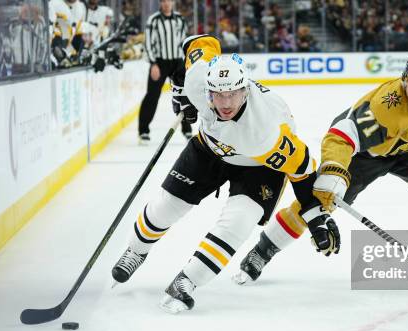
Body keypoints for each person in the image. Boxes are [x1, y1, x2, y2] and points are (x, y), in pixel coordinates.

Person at [233, 48, 408, 291]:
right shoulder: (387, 103)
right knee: (317, 203)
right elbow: (341, 134)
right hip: (366, 155)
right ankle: (262, 250)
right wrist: (334, 170)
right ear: (405, 77)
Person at [111, 34, 341, 313]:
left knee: (239, 222)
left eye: (233, 93)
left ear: (245, 90)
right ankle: (136, 250)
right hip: (210, 148)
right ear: (207, 91)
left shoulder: (265, 131)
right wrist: (180, 86)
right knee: (166, 206)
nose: (225, 102)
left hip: (260, 167)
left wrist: (315, 217)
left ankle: (187, 281)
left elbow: (302, 169)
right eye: (218, 94)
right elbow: (198, 41)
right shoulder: (200, 81)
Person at [139, 0, 190, 144]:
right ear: (161, 3)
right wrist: (153, 64)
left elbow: (184, 41)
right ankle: (143, 131)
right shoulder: (153, 20)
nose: (167, 3)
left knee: (183, 95)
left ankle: (187, 129)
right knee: (152, 96)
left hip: (178, 62)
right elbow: (148, 43)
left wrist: (186, 62)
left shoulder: (180, 19)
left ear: (173, 2)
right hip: (160, 62)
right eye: (164, 0)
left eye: (169, 0)